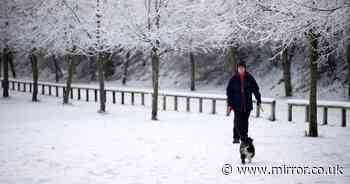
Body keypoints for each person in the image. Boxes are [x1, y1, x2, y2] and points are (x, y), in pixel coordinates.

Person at [226, 61, 261, 144]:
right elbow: (229, 92)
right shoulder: (233, 79)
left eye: (242, 68)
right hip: (237, 104)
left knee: (245, 121)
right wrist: (230, 103)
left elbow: (255, 89)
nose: (241, 69)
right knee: (237, 121)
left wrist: (258, 99)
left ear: (245, 68)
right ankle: (236, 137)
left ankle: (244, 137)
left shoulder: (249, 77)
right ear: (237, 69)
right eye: (239, 68)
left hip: (247, 104)